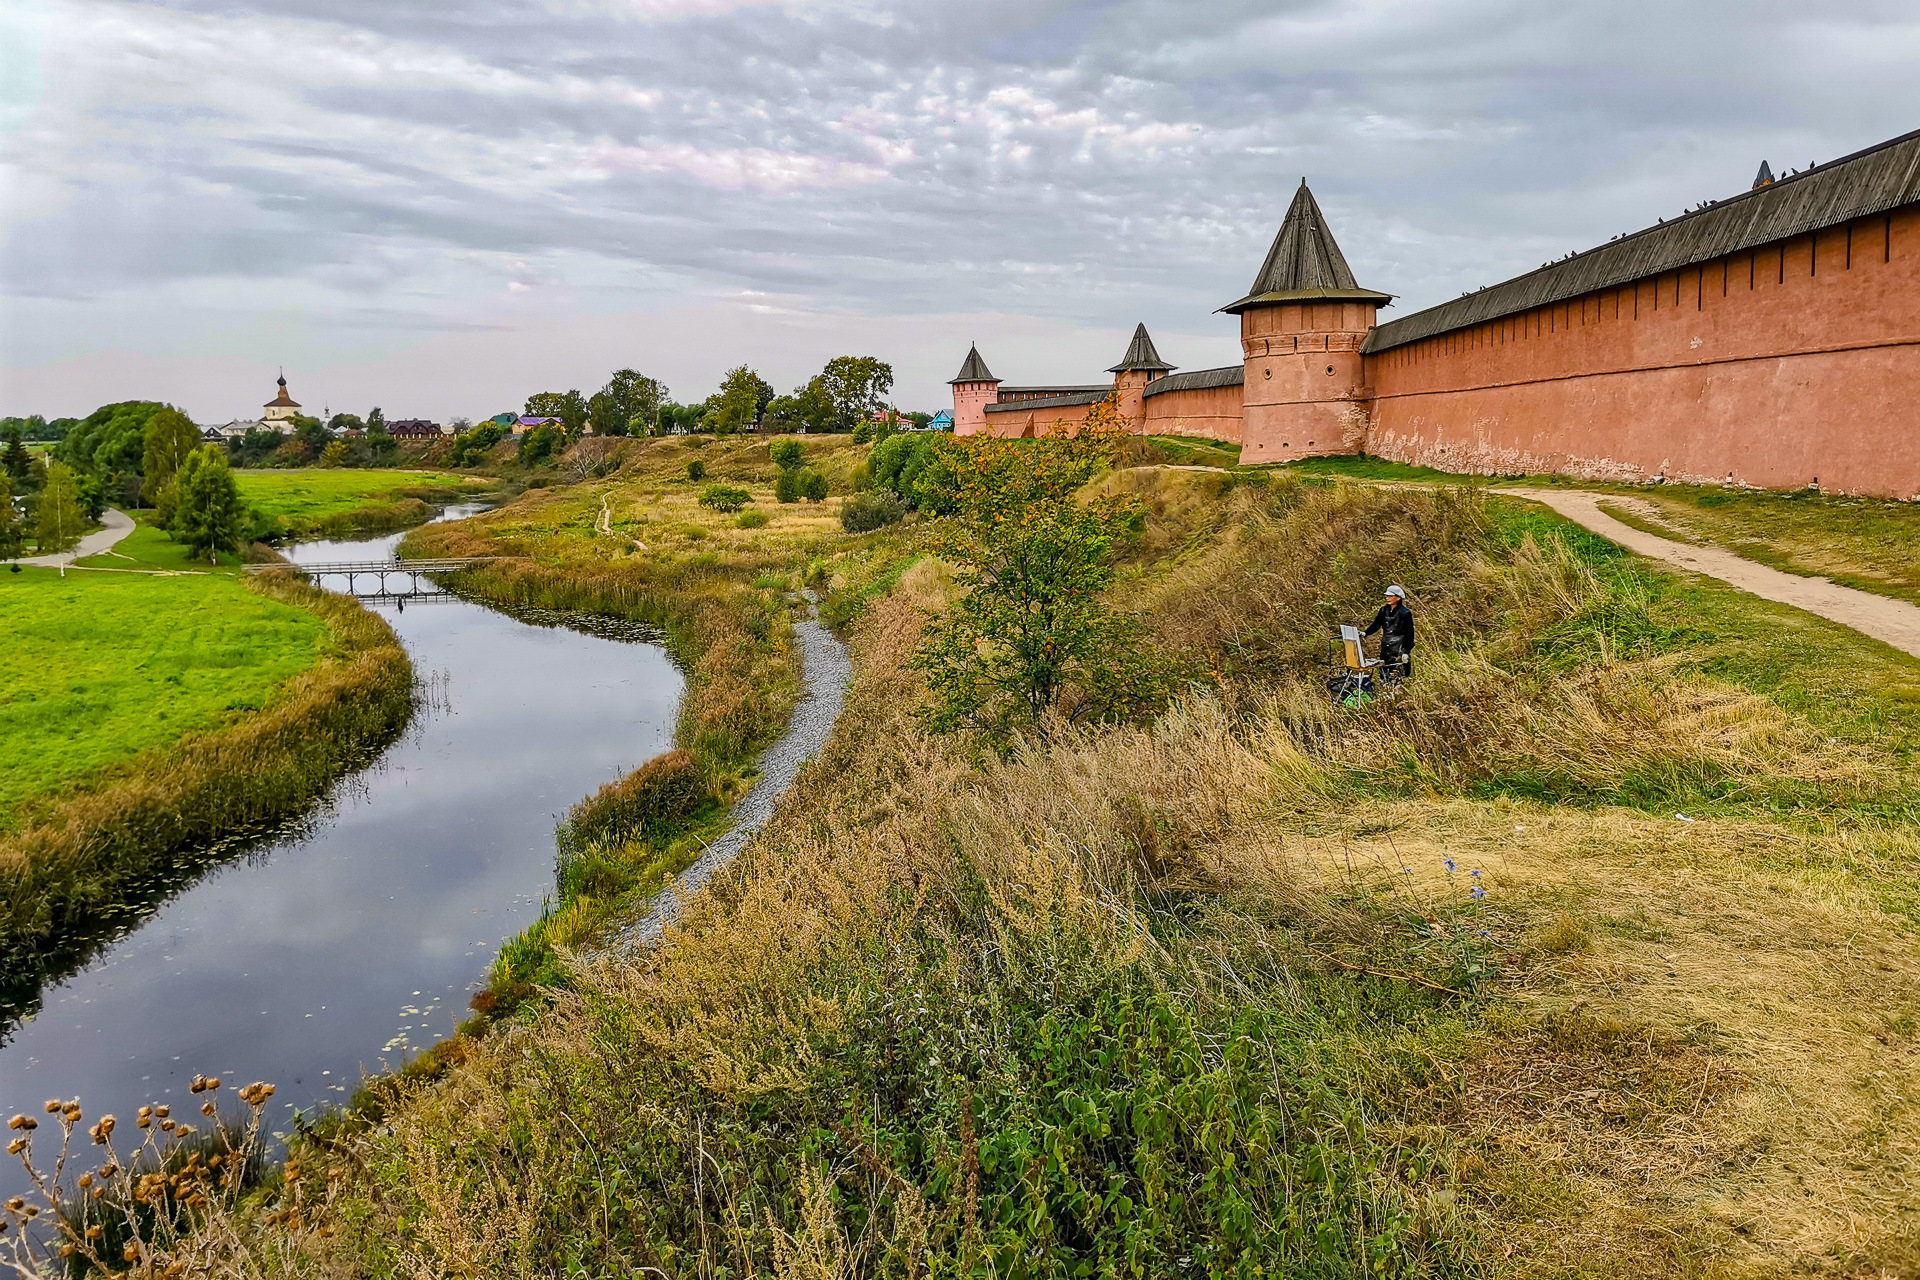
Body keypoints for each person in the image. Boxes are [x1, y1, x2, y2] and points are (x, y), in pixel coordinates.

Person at [1363, 585, 1414, 681]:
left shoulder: (1405, 613)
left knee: (1399, 677)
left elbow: (1410, 634)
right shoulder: (1383, 610)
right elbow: (1376, 625)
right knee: (1384, 677)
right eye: (1387, 596)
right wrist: (1365, 633)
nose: (1387, 598)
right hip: (1386, 649)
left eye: (1390, 596)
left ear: (1398, 598)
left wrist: (1405, 651)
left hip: (1398, 650)